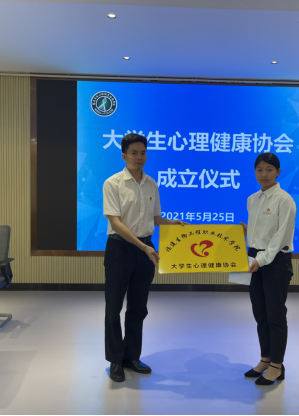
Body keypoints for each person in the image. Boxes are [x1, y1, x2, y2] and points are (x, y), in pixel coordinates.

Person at [103, 133, 187, 383]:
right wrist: (143, 247)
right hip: (120, 249)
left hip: (146, 249)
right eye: (134, 153)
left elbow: (154, 218)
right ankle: (115, 359)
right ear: (124, 156)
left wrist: (172, 223)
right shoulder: (113, 183)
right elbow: (116, 223)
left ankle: (132, 356)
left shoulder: (151, 183)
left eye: (143, 153)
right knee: (114, 307)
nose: (139, 157)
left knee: (138, 307)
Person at [240, 153, 296, 386]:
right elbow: (261, 232)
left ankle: (276, 366)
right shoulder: (252, 199)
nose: (264, 174)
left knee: (275, 315)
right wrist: (246, 233)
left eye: (269, 170)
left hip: (275, 262)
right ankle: (265, 359)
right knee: (260, 314)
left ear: (278, 172)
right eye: (260, 170)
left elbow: (280, 237)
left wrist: (261, 259)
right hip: (255, 259)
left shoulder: (285, 200)